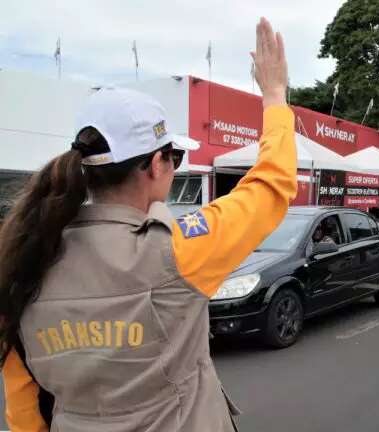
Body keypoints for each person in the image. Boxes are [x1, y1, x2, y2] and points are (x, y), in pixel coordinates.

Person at [0, 17, 296, 432]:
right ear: (156, 164)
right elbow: (273, 185)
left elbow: (23, 404)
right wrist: (275, 95)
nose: (175, 167)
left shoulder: (23, 260)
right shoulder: (176, 249)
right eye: (174, 157)